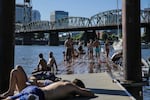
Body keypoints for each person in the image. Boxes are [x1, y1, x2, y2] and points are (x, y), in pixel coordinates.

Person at [0, 65, 95, 100]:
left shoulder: (61, 83)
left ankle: (10, 93)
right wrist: (81, 90)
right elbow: (89, 93)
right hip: (37, 93)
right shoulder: (70, 86)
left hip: (32, 89)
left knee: (8, 98)